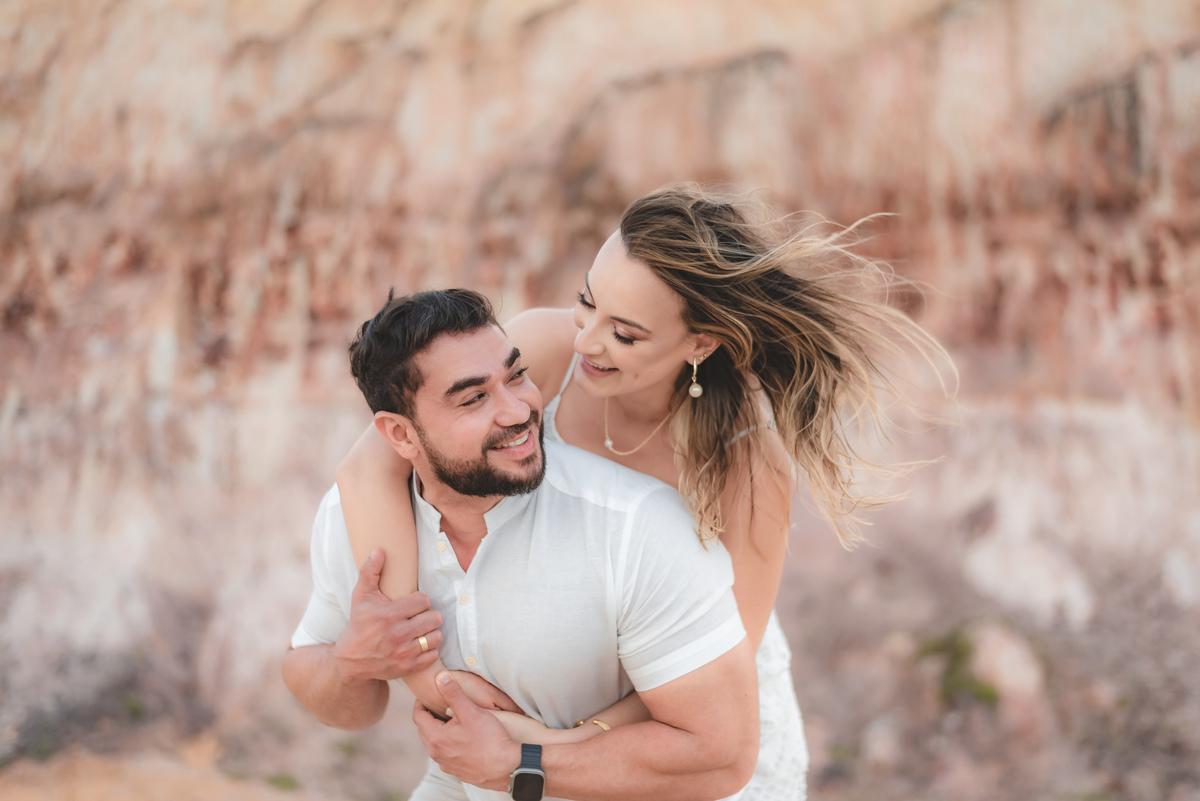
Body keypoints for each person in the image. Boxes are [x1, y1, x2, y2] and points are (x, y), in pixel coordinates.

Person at [337, 184, 952, 799]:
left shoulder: (748, 464)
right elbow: (367, 471)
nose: (586, 341)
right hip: (539, 702)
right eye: (587, 301)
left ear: (700, 343)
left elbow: (719, 661)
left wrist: (546, 746)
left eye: (624, 335)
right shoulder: (543, 350)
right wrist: (433, 680)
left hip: (682, 730)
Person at [283, 288, 760, 801]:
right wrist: (351, 662)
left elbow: (722, 758)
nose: (517, 410)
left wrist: (519, 766)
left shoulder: (637, 528)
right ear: (400, 436)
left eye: (516, 376)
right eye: (473, 398)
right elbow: (339, 704)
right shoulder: (354, 519)